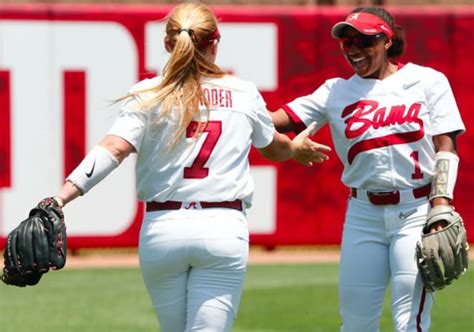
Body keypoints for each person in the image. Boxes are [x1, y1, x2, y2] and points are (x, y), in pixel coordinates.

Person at [48, 2, 330, 331]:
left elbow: (113, 149)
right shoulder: (242, 92)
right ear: (215, 41)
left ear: (168, 43)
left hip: (162, 227)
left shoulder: (149, 92)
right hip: (222, 225)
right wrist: (295, 149)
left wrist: (60, 198)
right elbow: (275, 148)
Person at [271, 7, 465, 332]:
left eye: (364, 40)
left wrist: (441, 203)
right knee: (356, 323)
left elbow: (446, 146)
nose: (354, 49)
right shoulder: (336, 91)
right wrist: (234, 104)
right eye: (347, 42)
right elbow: (274, 119)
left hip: (416, 209)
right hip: (363, 215)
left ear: (387, 40)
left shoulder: (427, 81)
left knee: (410, 323)